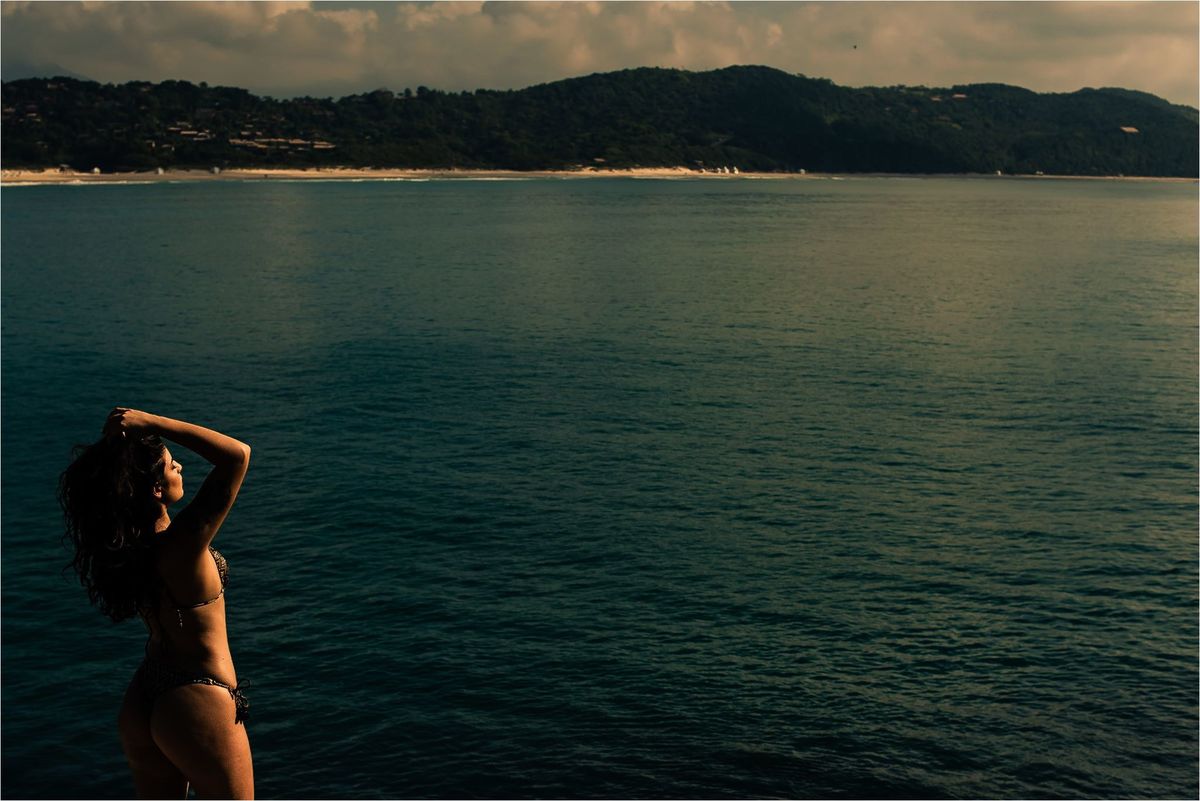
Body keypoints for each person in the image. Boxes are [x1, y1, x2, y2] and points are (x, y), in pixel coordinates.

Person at [59, 408, 253, 799]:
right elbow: (237, 455)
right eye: (170, 464)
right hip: (196, 696)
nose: (179, 466)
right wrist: (152, 422)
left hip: (143, 697)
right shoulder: (183, 543)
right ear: (155, 490)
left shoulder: (128, 549)